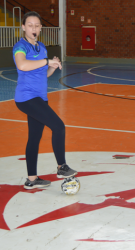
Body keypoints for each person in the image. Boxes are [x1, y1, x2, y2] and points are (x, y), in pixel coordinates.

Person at [13, 11, 77, 190]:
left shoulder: (41, 47)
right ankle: (61, 167)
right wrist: (46, 61)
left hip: (40, 98)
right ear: (23, 27)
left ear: (40, 28)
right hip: (26, 98)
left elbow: (43, 74)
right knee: (58, 126)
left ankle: (31, 179)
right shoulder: (20, 46)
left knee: (34, 137)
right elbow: (22, 65)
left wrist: (52, 66)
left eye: (37, 25)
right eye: (30, 25)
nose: (33, 28)